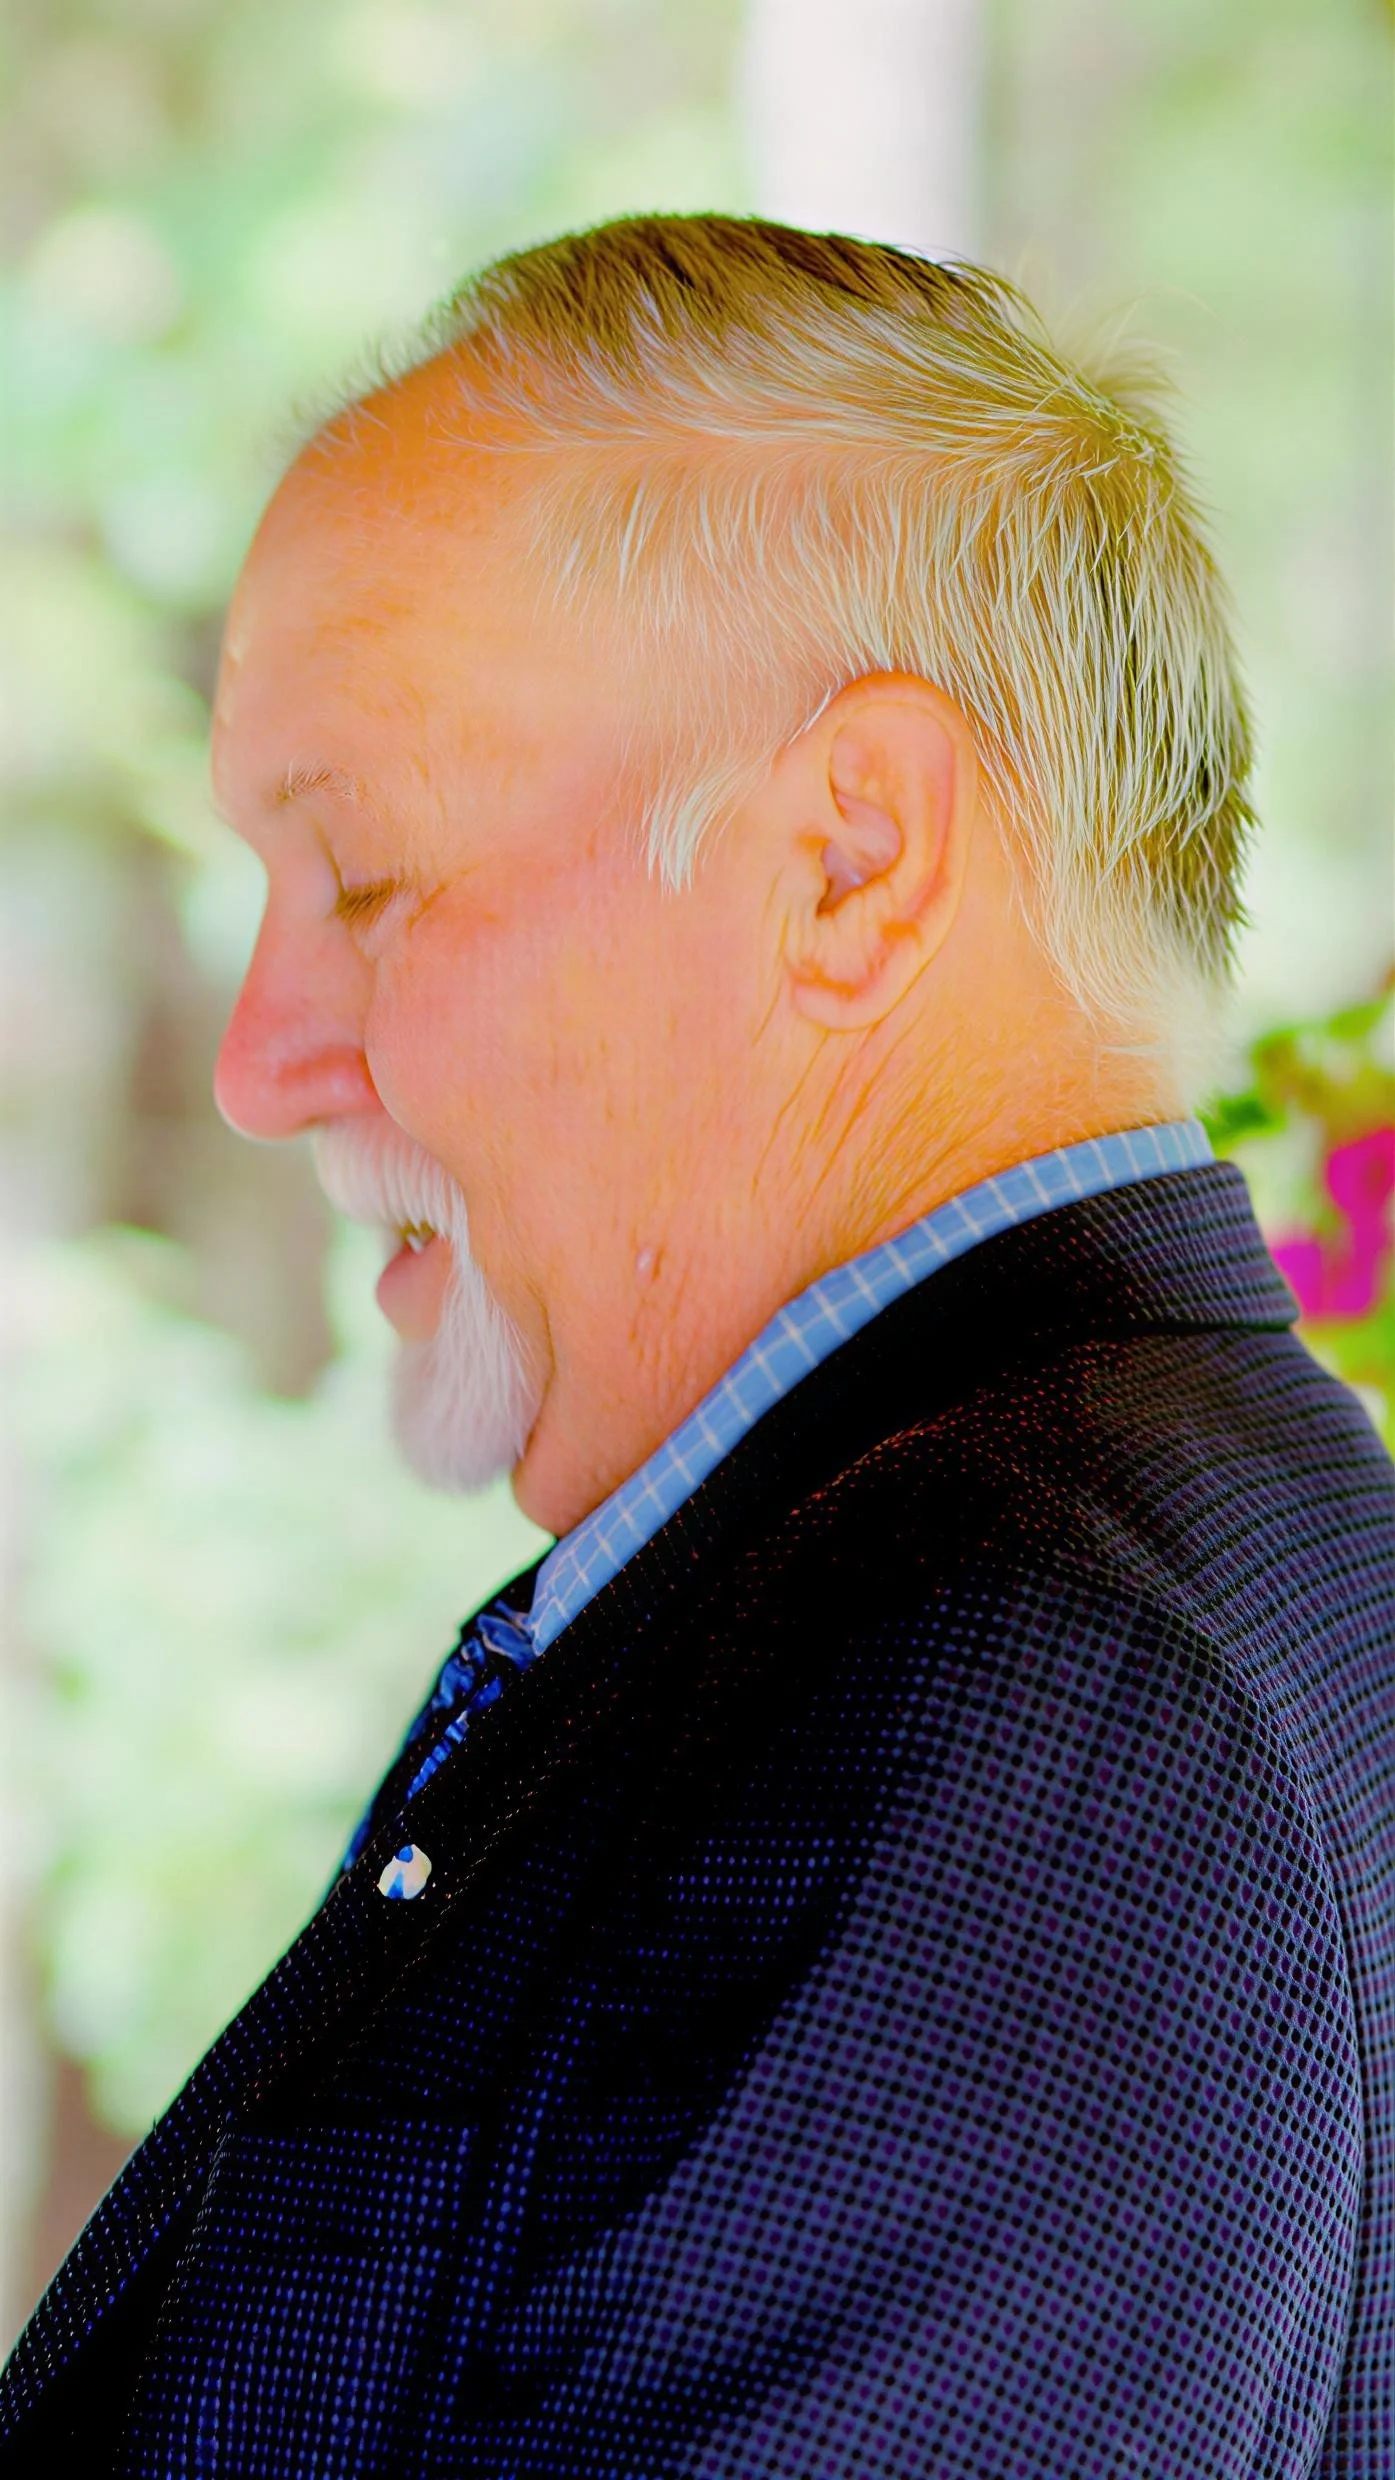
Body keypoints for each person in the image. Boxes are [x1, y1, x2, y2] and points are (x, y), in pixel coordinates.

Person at [2, 215, 1390, 2479]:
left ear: (851, 861)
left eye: (361, 876)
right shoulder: (1019, 1575)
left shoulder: (1032, 1687)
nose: (264, 1059)